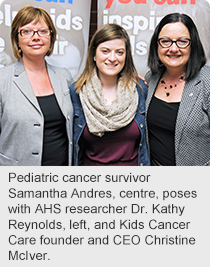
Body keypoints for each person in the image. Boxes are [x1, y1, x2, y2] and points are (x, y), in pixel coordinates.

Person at [0, 5, 73, 166]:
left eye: (42, 31)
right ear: (16, 38)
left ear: (51, 37)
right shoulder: (3, 80)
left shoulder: (64, 77)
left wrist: (125, 75)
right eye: (26, 31)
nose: (35, 37)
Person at [70, 23, 150, 166]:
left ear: (126, 56)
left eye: (119, 52)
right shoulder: (77, 92)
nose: (112, 58)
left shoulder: (139, 89)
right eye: (105, 51)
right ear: (94, 54)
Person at [145, 13, 210, 166]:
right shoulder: (151, 78)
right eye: (165, 41)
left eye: (182, 41)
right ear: (157, 45)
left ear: (193, 45)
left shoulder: (207, 81)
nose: (173, 48)